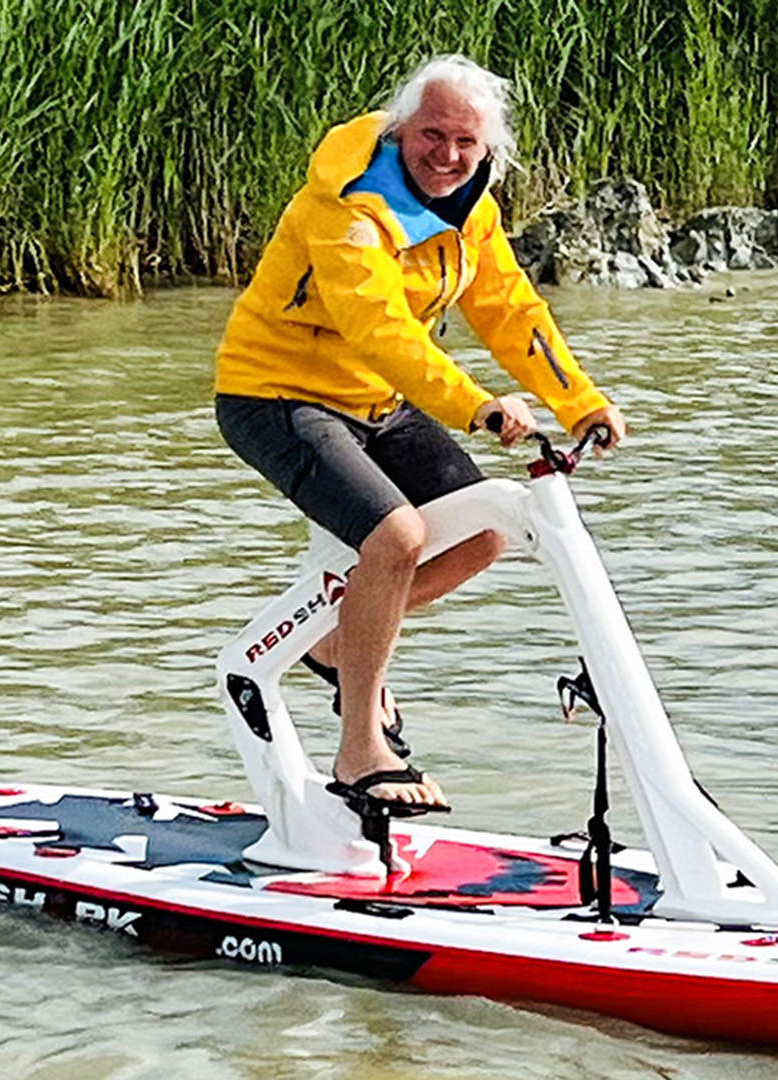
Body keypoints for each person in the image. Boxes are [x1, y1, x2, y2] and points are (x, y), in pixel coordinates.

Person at [213, 55, 626, 823]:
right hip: (275, 395)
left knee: (483, 533)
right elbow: (381, 329)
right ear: (402, 130)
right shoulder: (345, 206)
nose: (447, 155)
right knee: (397, 537)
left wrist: (580, 403)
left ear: (487, 149)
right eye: (432, 135)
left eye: (466, 141)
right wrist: (475, 406)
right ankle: (360, 745)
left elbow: (510, 310)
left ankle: (333, 647)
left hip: (377, 403)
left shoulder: (471, 206)